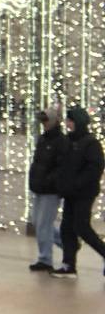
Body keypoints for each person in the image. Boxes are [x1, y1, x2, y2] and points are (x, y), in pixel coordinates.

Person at [51, 105, 105, 279]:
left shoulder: (90, 143)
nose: (67, 124)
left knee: (82, 227)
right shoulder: (68, 141)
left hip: (84, 193)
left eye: (70, 120)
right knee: (66, 228)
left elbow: (95, 168)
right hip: (70, 192)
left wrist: (77, 183)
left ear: (77, 122)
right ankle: (69, 265)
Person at [28, 105, 65, 272]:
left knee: (44, 224)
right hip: (39, 187)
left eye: (46, 120)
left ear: (54, 121)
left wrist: (50, 180)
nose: (43, 123)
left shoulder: (60, 141)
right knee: (38, 222)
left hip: (50, 190)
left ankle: (45, 259)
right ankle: (67, 243)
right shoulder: (43, 139)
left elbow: (61, 166)